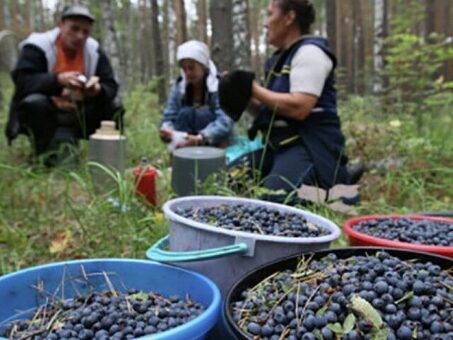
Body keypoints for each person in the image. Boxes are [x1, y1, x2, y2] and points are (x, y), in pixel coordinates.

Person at [221, 0, 359, 203]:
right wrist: (243, 96)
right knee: (227, 181)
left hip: (309, 146)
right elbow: (270, 110)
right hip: (278, 147)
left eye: (270, 14)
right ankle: (326, 180)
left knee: (273, 202)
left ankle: (335, 185)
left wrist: (253, 89)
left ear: (289, 17)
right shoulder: (279, 60)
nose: (266, 23)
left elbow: (299, 107)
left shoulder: (311, 52)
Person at [5, 4, 124, 165]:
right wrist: (57, 80)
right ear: (60, 24)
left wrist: (97, 90)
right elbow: (22, 81)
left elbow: (110, 85)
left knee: (115, 105)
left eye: (85, 32)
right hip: (47, 112)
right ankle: (41, 154)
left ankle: (108, 157)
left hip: (81, 111)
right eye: (74, 29)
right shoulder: (38, 45)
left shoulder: (94, 50)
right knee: (33, 103)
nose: (80, 36)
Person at [160, 40, 234, 150]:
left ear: (203, 66)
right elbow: (169, 116)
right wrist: (167, 131)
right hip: (184, 143)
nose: (188, 73)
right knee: (185, 113)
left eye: (191, 67)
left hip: (214, 144)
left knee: (202, 113)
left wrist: (201, 137)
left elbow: (225, 121)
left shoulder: (218, 86)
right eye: (184, 69)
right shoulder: (180, 88)